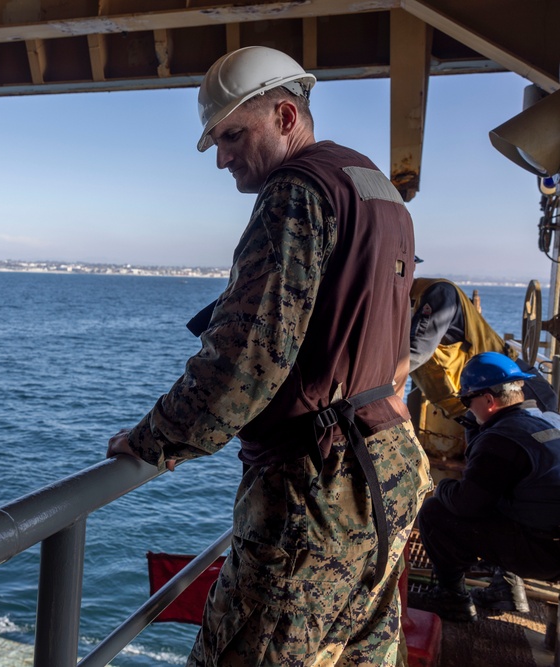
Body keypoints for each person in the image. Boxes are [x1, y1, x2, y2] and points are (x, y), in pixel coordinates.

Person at [106, 46, 431, 665]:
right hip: (388, 467)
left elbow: (247, 358)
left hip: (318, 488)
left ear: (286, 117)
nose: (223, 157)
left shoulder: (296, 191)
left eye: (232, 135)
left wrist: (157, 439)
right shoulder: (376, 187)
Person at [413, 352, 560, 623]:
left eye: (468, 401)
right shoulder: (549, 421)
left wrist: (442, 485)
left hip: (545, 554)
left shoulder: (501, 440)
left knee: (436, 512)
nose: (468, 409)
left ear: (489, 400)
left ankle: (452, 598)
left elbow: (466, 505)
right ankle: (506, 589)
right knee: (504, 501)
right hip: (551, 539)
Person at [409, 278, 556, 419]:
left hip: (509, 385)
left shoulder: (439, 292)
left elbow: (417, 352)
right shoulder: (403, 305)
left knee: (542, 435)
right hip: (470, 403)